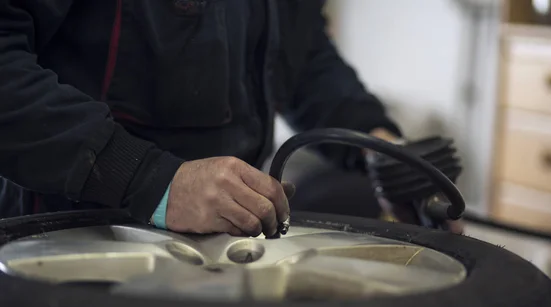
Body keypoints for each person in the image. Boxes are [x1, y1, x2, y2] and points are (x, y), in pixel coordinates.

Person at [0, 0, 403, 237]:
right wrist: (152, 182)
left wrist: (380, 145)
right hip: (65, 247)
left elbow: (302, 51)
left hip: (220, 249)